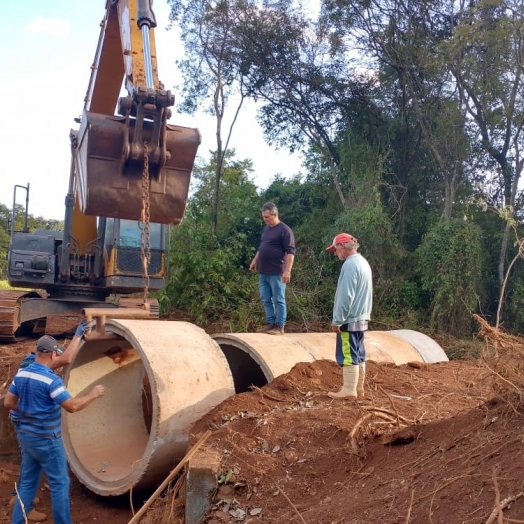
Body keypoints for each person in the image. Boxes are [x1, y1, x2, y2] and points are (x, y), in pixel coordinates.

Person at [4, 332, 106, 524]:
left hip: (26, 437)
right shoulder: (51, 380)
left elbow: (8, 403)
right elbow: (72, 406)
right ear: (52, 355)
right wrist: (93, 394)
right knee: (60, 483)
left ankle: (17, 521)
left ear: (36, 352)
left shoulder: (22, 373)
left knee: (27, 484)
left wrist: (30, 410)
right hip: (47, 440)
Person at [325, 233, 373, 399]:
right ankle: (358, 389)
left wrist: (338, 320)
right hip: (362, 316)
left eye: (335, 249)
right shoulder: (363, 262)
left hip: (350, 319)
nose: (335, 253)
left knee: (347, 353)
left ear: (342, 247)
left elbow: (346, 296)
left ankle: (349, 390)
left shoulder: (350, 265)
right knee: (358, 352)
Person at [249, 202, 296, 335]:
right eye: (263, 217)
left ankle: (279, 325)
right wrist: (255, 260)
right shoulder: (266, 229)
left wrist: (287, 271)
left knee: (278, 299)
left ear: (275, 215)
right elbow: (262, 247)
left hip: (277, 272)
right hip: (263, 272)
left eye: (267, 217)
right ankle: (271, 322)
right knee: (265, 298)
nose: (264, 219)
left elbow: (291, 252)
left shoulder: (285, 230)